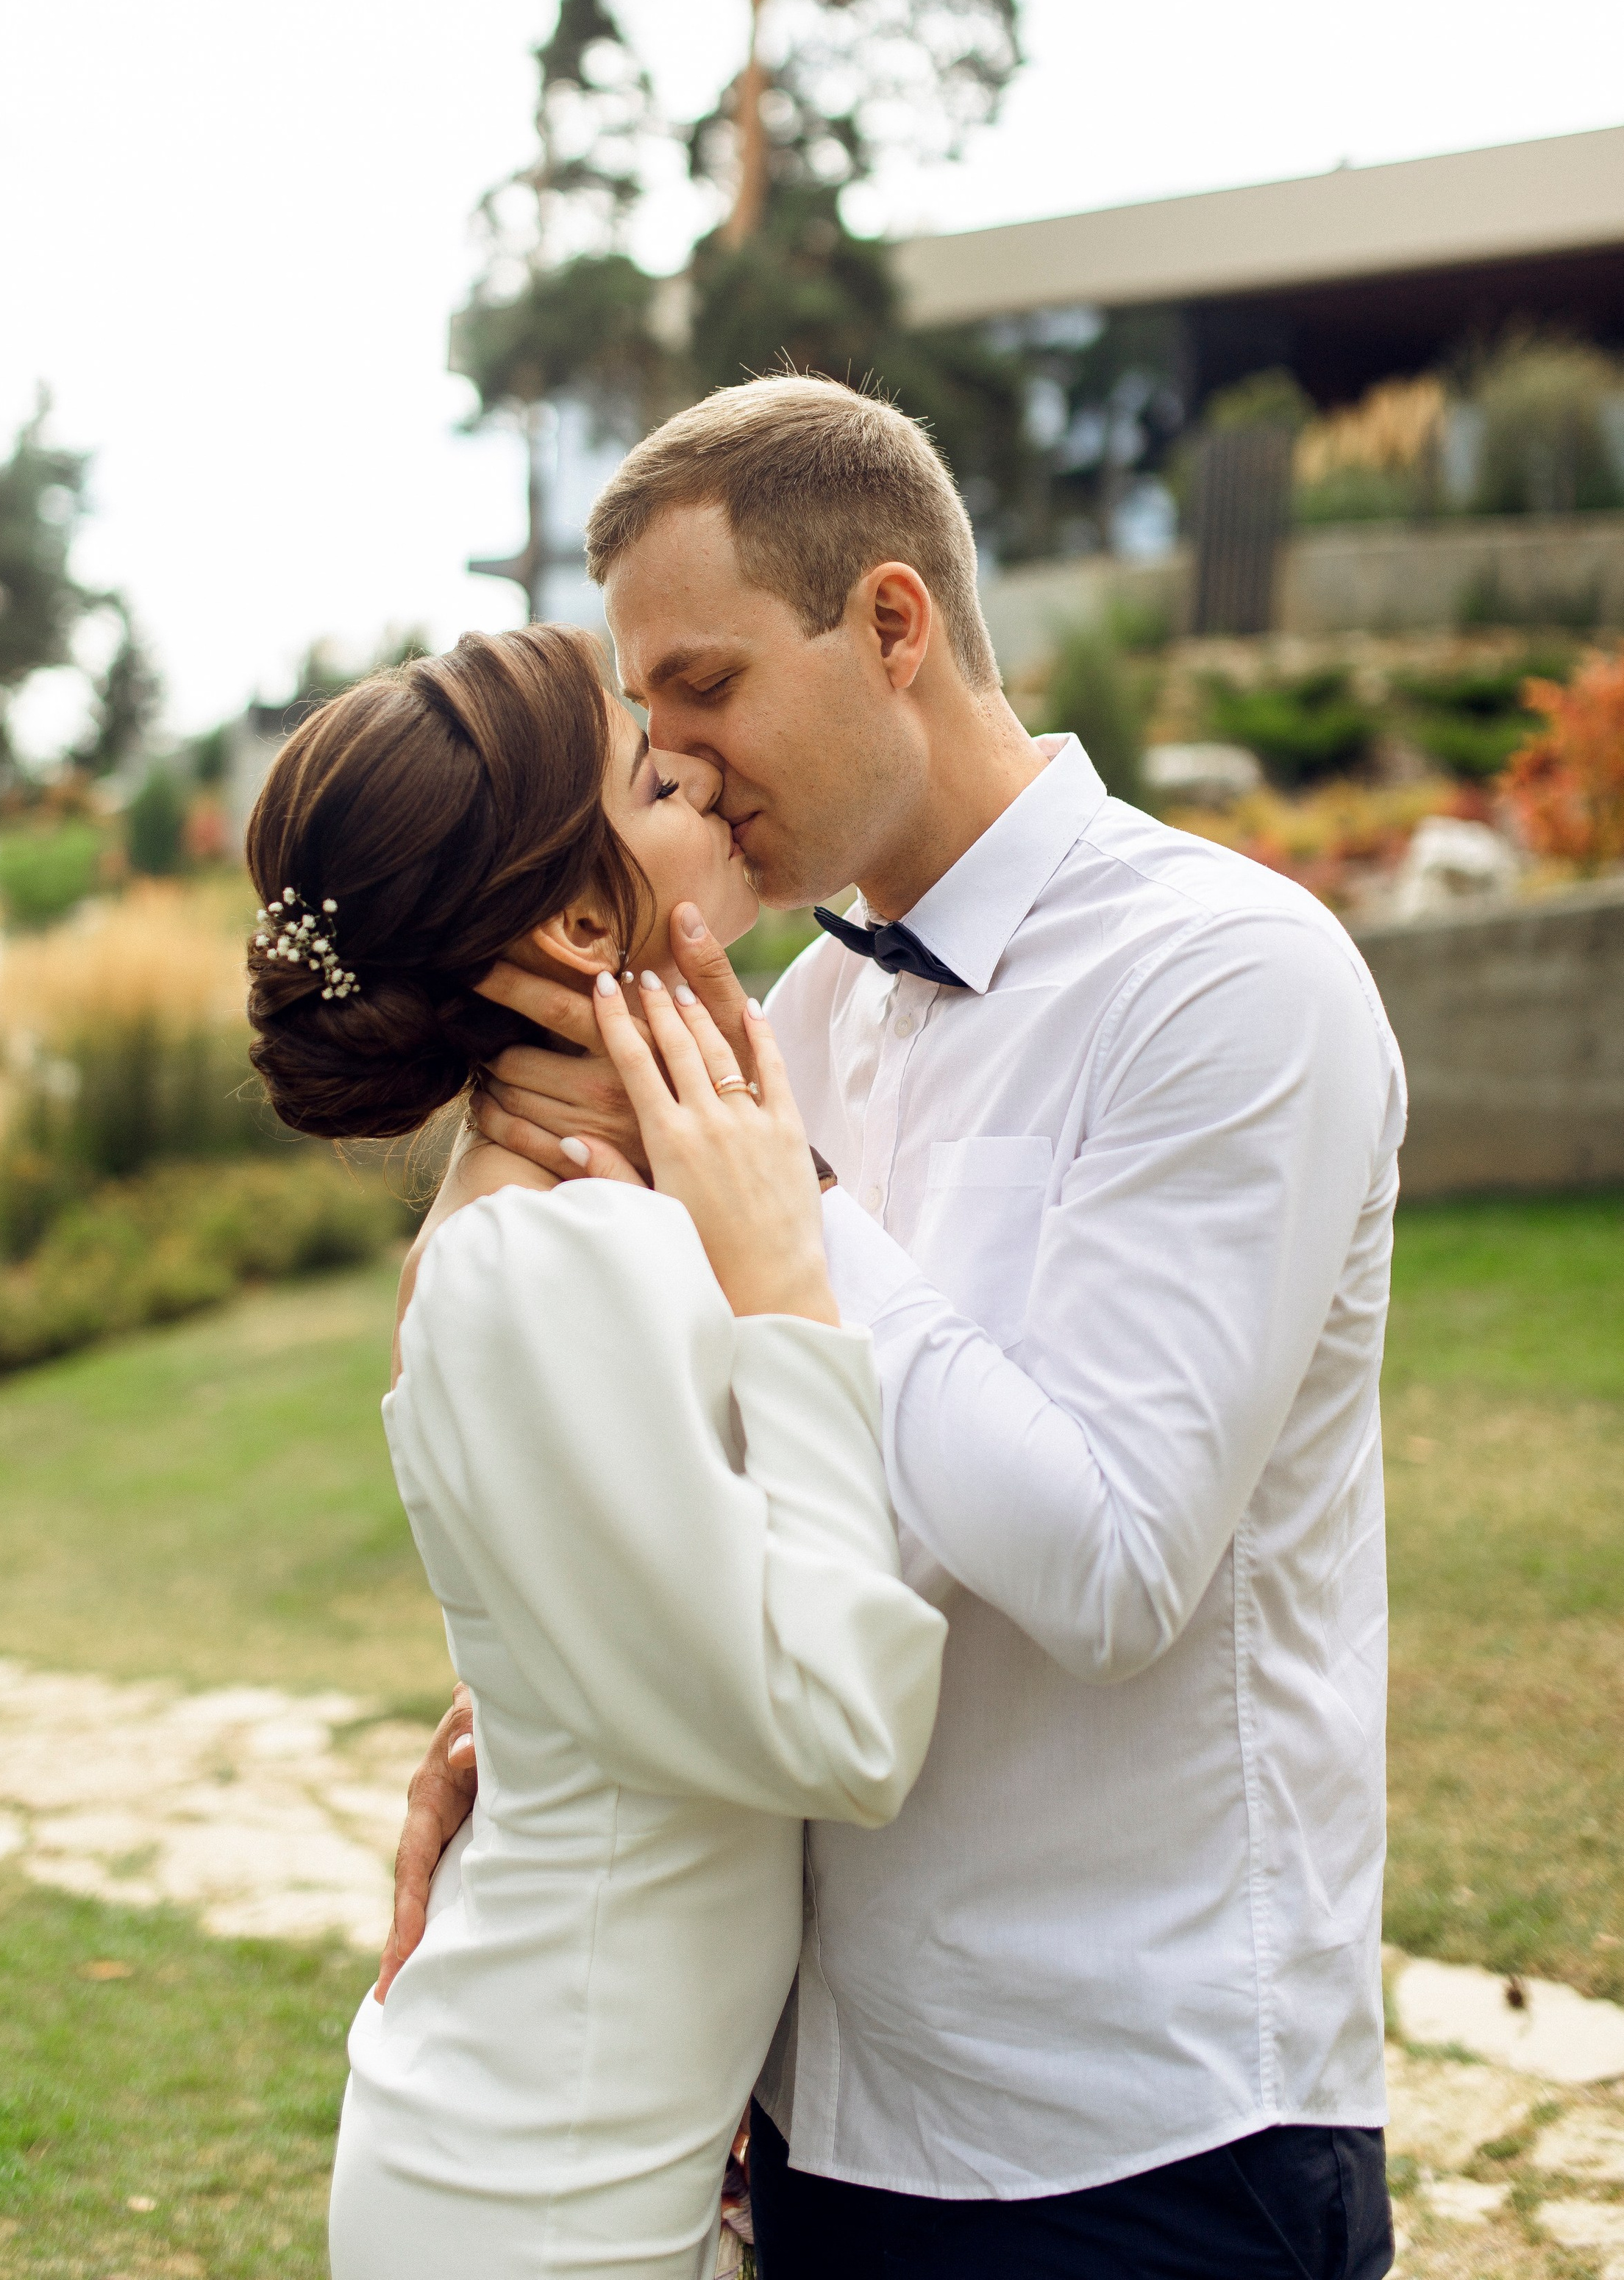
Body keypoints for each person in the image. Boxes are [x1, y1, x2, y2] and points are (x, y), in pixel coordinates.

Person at [405, 377, 1404, 2280]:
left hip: (1143, 2141)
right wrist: (529, 1716)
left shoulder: (1227, 982)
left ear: (888, 624)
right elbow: (735, 1502)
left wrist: (793, 1210)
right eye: (645, 715)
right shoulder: (790, 1021)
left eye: (704, 685)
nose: (675, 759)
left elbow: (1113, 1568)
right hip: (815, 2120)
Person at [242, 624, 947, 2280]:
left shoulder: (562, 1221)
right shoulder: (552, 1255)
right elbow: (843, 1728)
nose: (699, 767)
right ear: (573, 928)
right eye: (653, 777)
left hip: (575, 2159)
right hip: (544, 2200)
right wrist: (787, 1289)